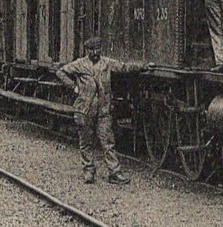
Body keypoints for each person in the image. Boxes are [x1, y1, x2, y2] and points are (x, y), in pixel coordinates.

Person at [55, 36, 152, 185]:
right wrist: (74, 87)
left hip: (103, 110)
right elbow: (61, 72)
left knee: (108, 142)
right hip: (85, 109)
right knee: (86, 142)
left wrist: (143, 66)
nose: (95, 52)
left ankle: (114, 173)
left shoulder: (107, 63)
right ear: (87, 50)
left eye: (97, 49)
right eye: (92, 50)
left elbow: (124, 67)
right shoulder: (79, 64)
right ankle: (88, 172)